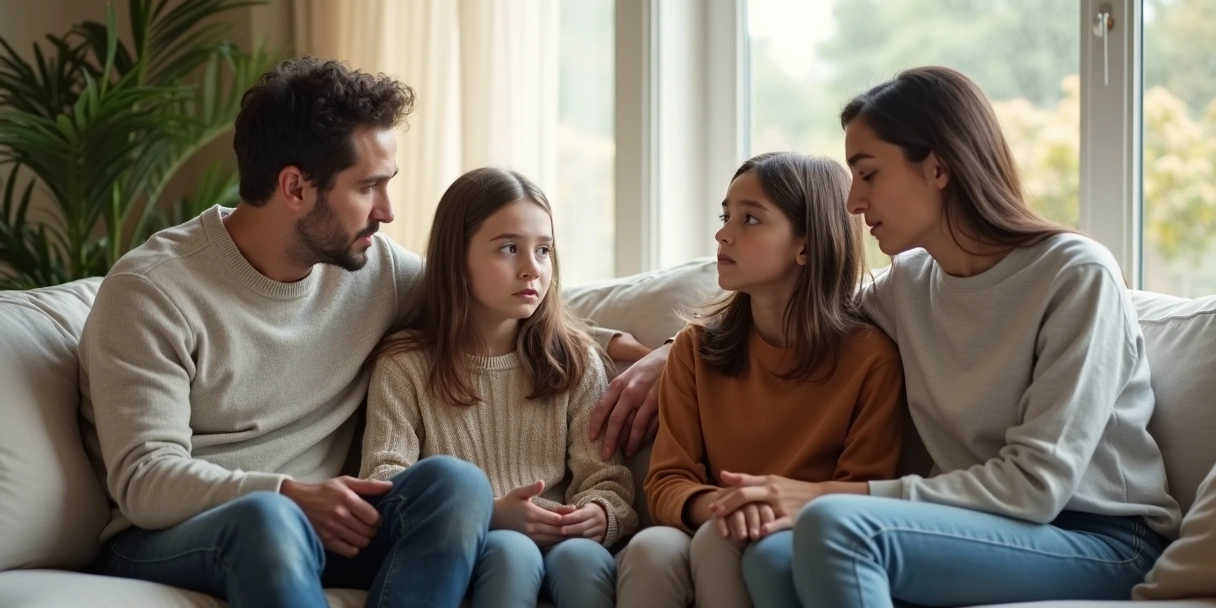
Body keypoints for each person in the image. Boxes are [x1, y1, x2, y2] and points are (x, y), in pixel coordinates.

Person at [78, 56, 659, 608]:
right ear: (295, 188)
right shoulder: (152, 291)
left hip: (333, 524)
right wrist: (287, 493)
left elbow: (490, 298)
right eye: (368, 187)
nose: (387, 211)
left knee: (456, 484)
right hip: (182, 534)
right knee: (268, 519)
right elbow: (144, 478)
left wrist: (651, 354)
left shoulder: (370, 267)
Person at [709, 66, 1181, 607]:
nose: (852, 203)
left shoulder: (1075, 275)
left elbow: (1035, 487)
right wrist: (667, 354)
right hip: (968, 527)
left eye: (868, 175)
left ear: (937, 167)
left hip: (1105, 539)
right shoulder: (909, 284)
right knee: (772, 556)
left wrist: (823, 494)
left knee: (835, 525)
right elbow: (803, 324)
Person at [615, 152, 905, 608]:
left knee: (718, 541)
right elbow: (669, 478)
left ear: (806, 245)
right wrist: (723, 507)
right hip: (714, 516)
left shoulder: (871, 360)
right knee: (651, 548)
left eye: (750, 219)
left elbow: (866, 489)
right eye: (725, 215)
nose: (723, 233)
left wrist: (755, 513)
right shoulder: (693, 348)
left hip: (807, 534)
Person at [360, 167, 638, 608]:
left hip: (565, 540)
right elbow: (385, 479)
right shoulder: (405, 364)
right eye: (509, 248)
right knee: (512, 550)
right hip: (475, 543)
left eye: (543, 250)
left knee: (582, 560)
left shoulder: (575, 360)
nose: (532, 268)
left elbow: (606, 478)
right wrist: (489, 513)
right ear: (457, 257)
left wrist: (598, 516)